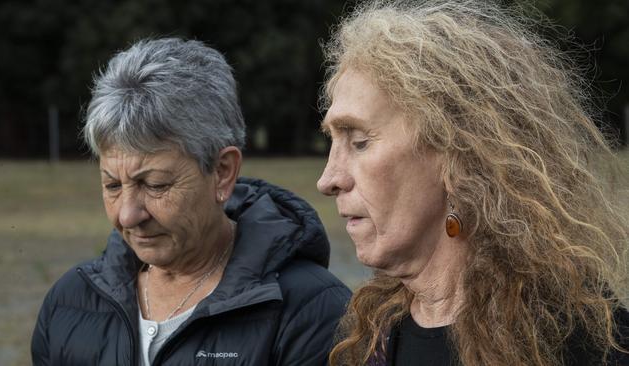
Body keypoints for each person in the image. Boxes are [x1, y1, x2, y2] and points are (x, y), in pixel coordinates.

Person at [316, 1, 629, 365]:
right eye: (332, 142)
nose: (328, 180)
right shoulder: (367, 338)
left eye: (359, 142)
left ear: (459, 153)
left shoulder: (588, 342)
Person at [31, 37, 351, 366]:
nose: (127, 215)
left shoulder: (310, 313)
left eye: (154, 184)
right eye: (112, 185)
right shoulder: (70, 303)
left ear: (223, 172)